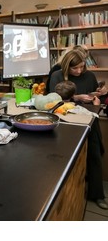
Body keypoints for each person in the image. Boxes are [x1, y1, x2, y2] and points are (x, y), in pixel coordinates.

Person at [49, 48, 107, 210]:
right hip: (66, 122)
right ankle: (62, 194)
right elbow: (54, 99)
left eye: (82, 67)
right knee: (65, 158)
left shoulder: (89, 76)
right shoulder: (57, 76)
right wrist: (76, 97)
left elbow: (97, 97)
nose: (79, 71)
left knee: (94, 154)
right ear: (67, 66)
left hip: (89, 120)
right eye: (75, 68)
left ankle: (97, 194)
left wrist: (101, 94)